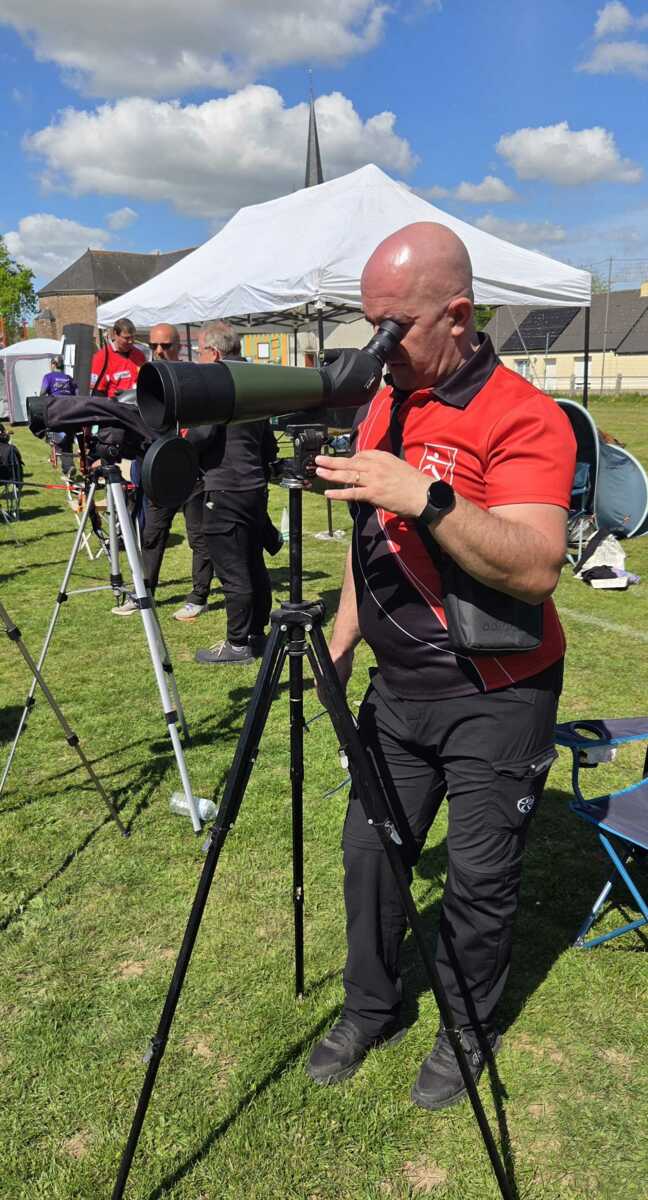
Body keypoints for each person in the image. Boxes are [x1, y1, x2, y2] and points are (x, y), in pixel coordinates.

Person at [306, 222, 576, 1110]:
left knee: (479, 877)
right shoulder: (384, 401)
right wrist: (342, 639)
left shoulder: (523, 415)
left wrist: (423, 494)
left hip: (497, 692)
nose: (376, 345)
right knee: (369, 852)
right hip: (399, 690)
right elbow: (370, 543)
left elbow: (535, 566)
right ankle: (371, 1006)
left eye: (394, 326)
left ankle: (466, 1027)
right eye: (369, 323)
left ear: (458, 315)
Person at [112, 323, 214, 619]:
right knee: (152, 534)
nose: (159, 351)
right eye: (154, 345)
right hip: (160, 472)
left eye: (166, 345)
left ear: (179, 346)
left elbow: (207, 425)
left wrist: (186, 448)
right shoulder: (147, 379)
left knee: (199, 537)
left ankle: (199, 596)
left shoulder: (194, 378)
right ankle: (143, 593)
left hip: (192, 471)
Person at [192, 320, 280, 665]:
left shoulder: (217, 383)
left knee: (233, 569)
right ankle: (256, 633)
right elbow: (268, 443)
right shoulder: (253, 381)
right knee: (253, 563)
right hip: (253, 488)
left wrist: (183, 445)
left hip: (225, 488)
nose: (198, 358)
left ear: (214, 352)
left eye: (200, 351)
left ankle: (238, 644)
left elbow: (201, 436)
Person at [90, 317, 146, 399]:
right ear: (115, 334)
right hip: (115, 404)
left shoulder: (139, 355)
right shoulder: (101, 357)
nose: (130, 341)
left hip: (138, 402)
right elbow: (97, 393)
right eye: (126, 338)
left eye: (133, 337)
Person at [40, 355, 78, 474]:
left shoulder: (48, 376)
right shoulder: (69, 378)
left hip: (56, 411)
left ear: (53, 364)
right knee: (68, 439)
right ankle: (68, 466)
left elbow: (42, 393)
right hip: (70, 411)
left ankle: (68, 467)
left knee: (58, 439)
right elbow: (77, 394)